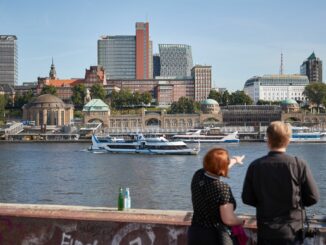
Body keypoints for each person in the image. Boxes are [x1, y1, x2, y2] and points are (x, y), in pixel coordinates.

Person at [242, 121, 319, 245]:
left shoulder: (255, 166)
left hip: (265, 231)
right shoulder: (299, 164)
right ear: (288, 140)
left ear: (268, 139)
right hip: (292, 231)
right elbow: (313, 198)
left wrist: (265, 203)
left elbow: (247, 199)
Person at [188, 147, 245, 245]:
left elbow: (215, 167)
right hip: (214, 237)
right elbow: (228, 219)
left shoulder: (198, 175)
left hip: (195, 233)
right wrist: (242, 221)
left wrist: (235, 160)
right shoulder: (222, 188)